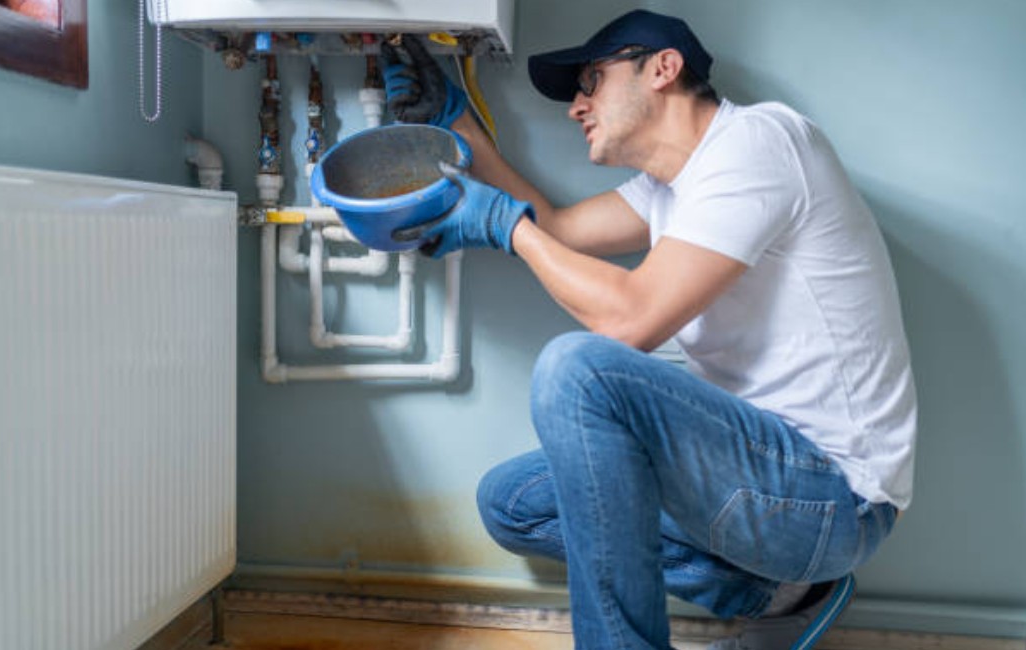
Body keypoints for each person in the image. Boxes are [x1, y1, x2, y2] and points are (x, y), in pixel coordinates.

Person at [380, 9, 917, 650]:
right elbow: (553, 225)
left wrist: (504, 227)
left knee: (579, 370)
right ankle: (779, 597)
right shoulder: (668, 190)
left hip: (829, 500)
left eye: (591, 80)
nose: (577, 106)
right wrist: (455, 125)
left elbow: (627, 317)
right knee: (513, 502)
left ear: (663, 67)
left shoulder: (758, 143)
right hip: (754, 483)